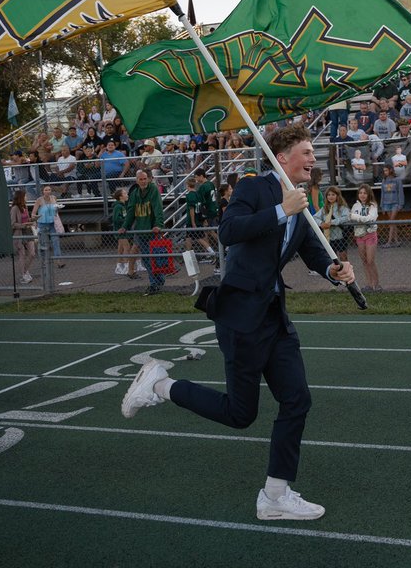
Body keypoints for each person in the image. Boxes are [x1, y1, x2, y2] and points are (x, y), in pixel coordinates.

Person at [119, 124, 354, 521]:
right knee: (240, 414)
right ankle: (160, 384)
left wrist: (335, 270)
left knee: (297, 400)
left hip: (274, 317)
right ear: (282, 158)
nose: (314, 159)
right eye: (307, 152)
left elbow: (315, 253)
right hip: (241, 316)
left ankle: (275, 495)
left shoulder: (303, 204)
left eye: (314, 153)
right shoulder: (254, 188)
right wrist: (282, 210)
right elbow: (228, 231)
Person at [121, 170, 165, 294]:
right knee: (146, 259)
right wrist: (125, 226)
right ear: (137, 180)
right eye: (140, 179)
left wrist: (158, 224)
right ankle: (156, 283)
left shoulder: (154, 190)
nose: (143, 181)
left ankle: (156, 283)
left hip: (152, 231)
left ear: (149, 179)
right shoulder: (134, 194)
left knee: (154, 259)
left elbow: (158, 208)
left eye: (145, 179)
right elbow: (130, 212)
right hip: (141, 230)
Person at [350, 184, 380, 291]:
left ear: (368, 194)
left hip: (370, 234)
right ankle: (369, 284)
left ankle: (376, 284)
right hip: (359, 235)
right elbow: (353, 219)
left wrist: (355, 217)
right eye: (360, 193)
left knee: (370, 260)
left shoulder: (373, 205)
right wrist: (361, 218)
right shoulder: (355, 206)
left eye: (365, 193)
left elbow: (370, 219)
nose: (362, 195)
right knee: (364, 261)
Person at [32, 185, 65, 268]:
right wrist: (36, 217)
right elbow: (33, 214)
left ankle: (59, 261)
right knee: (42, 243)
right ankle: (43, 262)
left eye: (49, 190)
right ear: (43, 191)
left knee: (56, 241)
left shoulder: (54, 198)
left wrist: (58, 208)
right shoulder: (39, 200)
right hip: (42, 224)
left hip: (52, 223)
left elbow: (55, 209)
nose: (48, 191)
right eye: (46, 190)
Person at [316, 186, 351, 262]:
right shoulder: (324, 208)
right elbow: (315, 218)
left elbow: (346, 217)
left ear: (337, 196)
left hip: (340, 236)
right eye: (328, 195)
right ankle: (336, 273)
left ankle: (346, 272)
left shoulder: (342, 207)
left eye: (333, 194)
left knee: (343, 258)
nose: (330, 197)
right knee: (332, 259)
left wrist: (332, 222)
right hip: (329, 237)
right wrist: (321, 223)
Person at [110, 187, 137, 279]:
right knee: (127, 247)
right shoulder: (118, 206)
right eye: (125, 194)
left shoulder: (122, 206)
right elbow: (116, 219)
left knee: (121, 247)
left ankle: (119, 265)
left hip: (122, 229)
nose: (127, 195)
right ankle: (126, 266)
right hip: (120, 230)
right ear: (121, 197)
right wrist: (125, 221)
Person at [10, 189, 35, 284]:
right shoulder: (14, 208)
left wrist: (32, 219)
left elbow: (26, 219)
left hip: (28, 231)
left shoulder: (25, 206)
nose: (27, 197)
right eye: (25, 196)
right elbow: (13, 224)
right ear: (21, 197)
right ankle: (23, 274)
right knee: (22, 254)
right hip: (20, 233)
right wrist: (23, 225)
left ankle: (25, 271)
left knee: (32, 254)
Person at [379, 164, 403, 248]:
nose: (385, 172)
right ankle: (396, 241)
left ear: (390, 170)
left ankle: (389, 242)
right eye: (384, 171)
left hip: (395, 203)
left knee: (391, 221)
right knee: (392, 222)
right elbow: (382, 193)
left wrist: (400, 204)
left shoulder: (397, 180)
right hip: (386, 203)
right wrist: (382, 205)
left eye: (386, 170)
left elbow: (400, 192)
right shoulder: (384, 180)